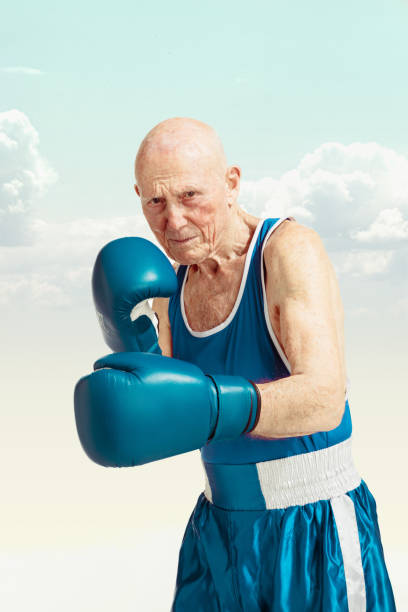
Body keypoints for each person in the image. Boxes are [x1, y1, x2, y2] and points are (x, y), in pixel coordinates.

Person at [74, 117, 396, 610]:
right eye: (155, 202)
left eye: (190, 196)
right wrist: (131, 348)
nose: (173, 222)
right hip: (218, 529)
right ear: (137, 195)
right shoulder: (168, 286)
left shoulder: (287, 251)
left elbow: (325, 398)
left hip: (313, 531)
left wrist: (220, 404)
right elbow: (170, 413)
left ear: (231, 183)